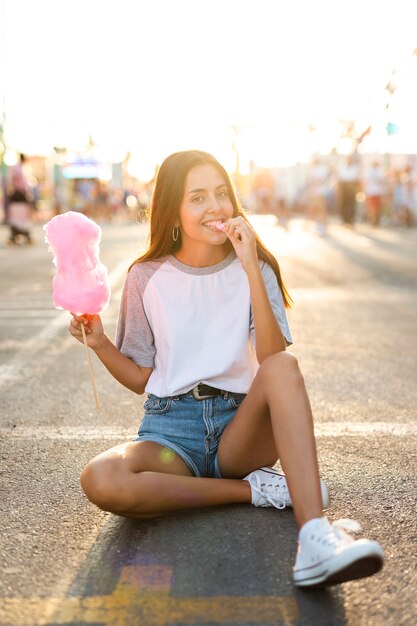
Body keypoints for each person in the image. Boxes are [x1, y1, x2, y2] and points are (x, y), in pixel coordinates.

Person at [69, 150, 383, 588]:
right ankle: (258, 491)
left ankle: (314, 537)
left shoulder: (256, 266)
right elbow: (140, 377)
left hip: (242, 430)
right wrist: (100, 343)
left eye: (221, 193)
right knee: (101, 478)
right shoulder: (145, 276)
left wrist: (251, 264)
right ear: (174, 211)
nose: (215, 206)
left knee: (285, 367)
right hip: (170, 432)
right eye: (197, 197)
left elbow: (271, 356)